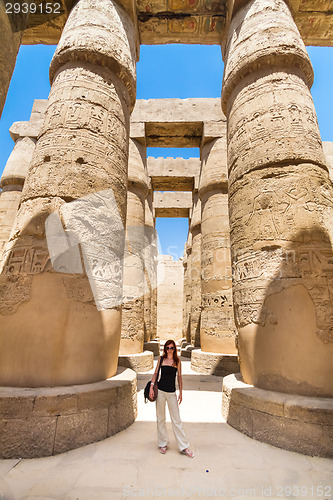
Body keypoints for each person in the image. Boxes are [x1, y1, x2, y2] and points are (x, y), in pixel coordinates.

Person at [149, 339, 194, 458]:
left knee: (176, 420)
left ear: (174, 349)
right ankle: (162, 443)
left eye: (172, 348)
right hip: (161, 392)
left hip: (172, 393)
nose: (169, 350)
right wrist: (151, 387)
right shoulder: (161, 359)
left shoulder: (177, 361)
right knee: (160, 418)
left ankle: (184, 446)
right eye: (168, 348)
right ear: (165, 349)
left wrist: (181, 392)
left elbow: (179, 377)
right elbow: (155, 374)